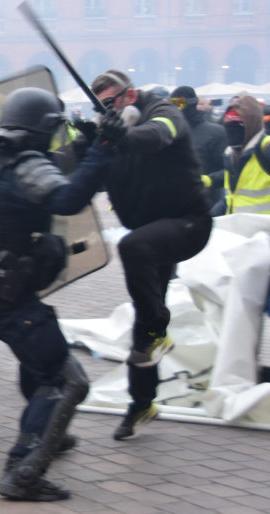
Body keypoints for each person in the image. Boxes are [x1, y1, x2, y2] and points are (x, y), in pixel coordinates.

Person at [0, 87, 113, 500]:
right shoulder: (23, 163)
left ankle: (46, 435)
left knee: (40, 355)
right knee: (63, 378)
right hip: (0, 290)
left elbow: (50, 170)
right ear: (41, 128)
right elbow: (66, 198)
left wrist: (88, 144)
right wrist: (104, 150)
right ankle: (23, 470)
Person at [89, 70, 212, 441]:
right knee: (145, 335)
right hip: (151, 231)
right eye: (100, 107)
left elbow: (157, 136)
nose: (106, 112)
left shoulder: (163, 112)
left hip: (187, 222)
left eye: (111, 103)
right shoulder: (111, 133)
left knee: (132, 250)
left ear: (130, 96)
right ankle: (142, 404)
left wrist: (123, 134)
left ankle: (159, 321)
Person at [169, 86, 227, 209]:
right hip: (175, 205)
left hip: (207, 205)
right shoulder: (169, 132)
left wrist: (209, 180)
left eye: (179, 103)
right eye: (172, 104)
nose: (175, 109)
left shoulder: (216, 133)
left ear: (191, 104)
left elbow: (230, 170)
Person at [212, 94, 269, 215]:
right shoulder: (231, 154)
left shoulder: (265, 147)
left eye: (237, 126)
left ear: (251, 124)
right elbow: (231, 198)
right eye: (228, 126)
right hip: (238, 229)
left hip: (264, 230)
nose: (232, 132)